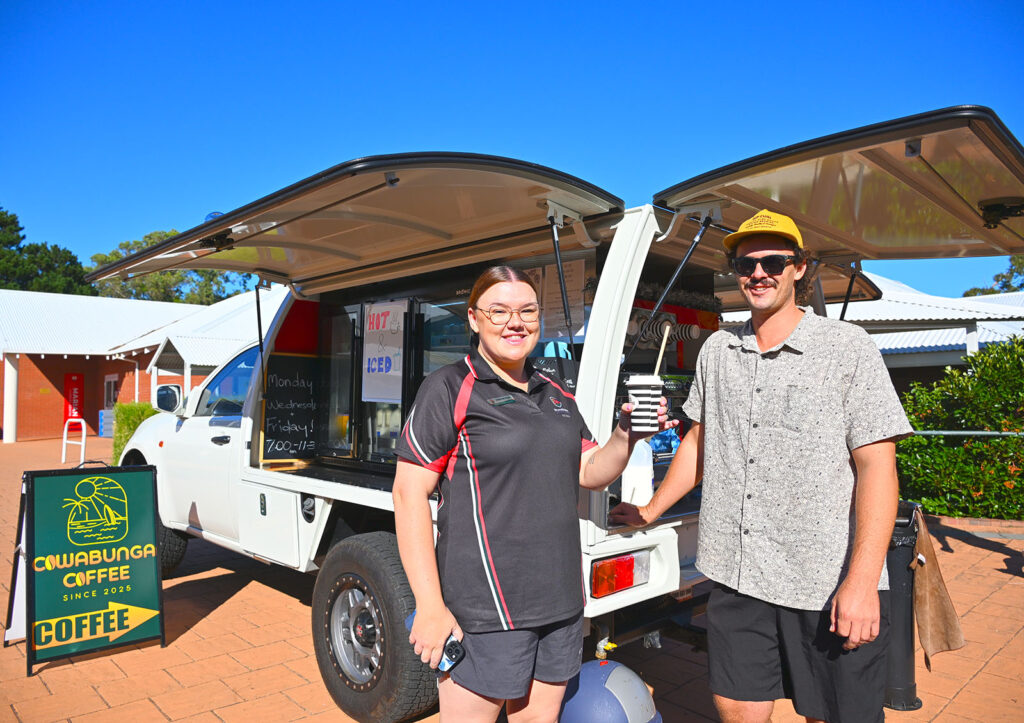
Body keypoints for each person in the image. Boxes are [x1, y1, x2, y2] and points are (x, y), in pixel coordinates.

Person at [610, 210, 913, 723]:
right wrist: (651, 510)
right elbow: (699, 440)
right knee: (736, 706)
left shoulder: (847, 348)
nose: (758, 273)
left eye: (773, 261)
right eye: (745, 264)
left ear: (799, 268)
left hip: (823, 576)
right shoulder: (718, 349)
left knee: (831, 713)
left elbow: (878, 468)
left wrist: (862, 581)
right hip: (737, 573)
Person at [393, 265, 675, 722]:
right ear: (474, 318)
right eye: (499, 311)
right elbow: (409, 495)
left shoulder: (555, 392)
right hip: (485, 610)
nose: (515, 322)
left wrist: (627, 434)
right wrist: (429, 607)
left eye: (527, 311)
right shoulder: (449, 387)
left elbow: (590, 470)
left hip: (560, 603)